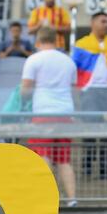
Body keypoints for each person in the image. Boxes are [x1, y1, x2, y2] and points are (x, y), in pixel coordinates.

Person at [20, 24, 78, 203]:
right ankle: (72, 198)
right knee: (63, 159)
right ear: (56, 40)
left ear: (38, 41)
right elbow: (75, 89)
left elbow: (25, 89)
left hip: (43, 112)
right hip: (65, 112)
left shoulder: (33, 60)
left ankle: (46, 198)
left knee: (43, 155)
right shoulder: (68, 61)